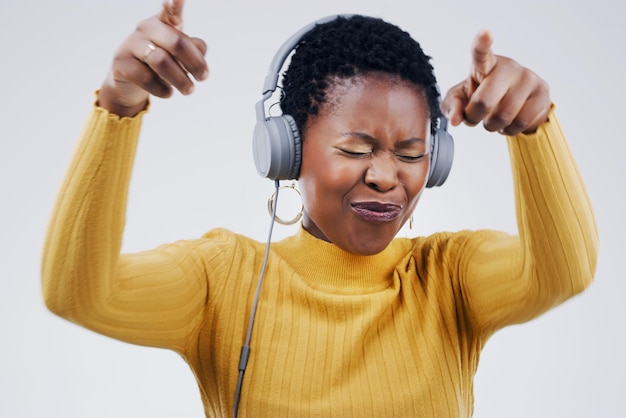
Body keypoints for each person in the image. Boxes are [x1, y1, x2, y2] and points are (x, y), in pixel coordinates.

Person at [41, 0, 599, 416]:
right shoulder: (223, 280)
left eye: (411, 154)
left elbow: (564, 271)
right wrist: (119, 107)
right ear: (284, 149)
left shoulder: (447, 278)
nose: (386, 177)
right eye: (356, 149)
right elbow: (79, 292)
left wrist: (533, 130)